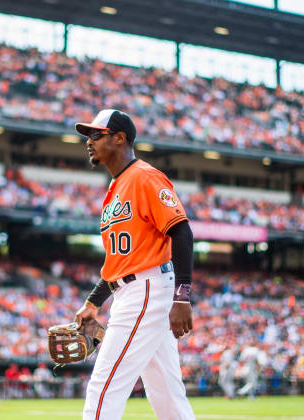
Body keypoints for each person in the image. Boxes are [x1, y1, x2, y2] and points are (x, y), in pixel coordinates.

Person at [73, 109, 196, 420]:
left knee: (103, 388)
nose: (89, 141)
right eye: (88, 136)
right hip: (132, 288)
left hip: (147, 289)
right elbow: (119, 260)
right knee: (167, 395)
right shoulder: (115, 190)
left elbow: (181, 230)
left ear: (119, 138)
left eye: (96, 135)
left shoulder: (144, 176)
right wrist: (92, 303)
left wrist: (182, 295)